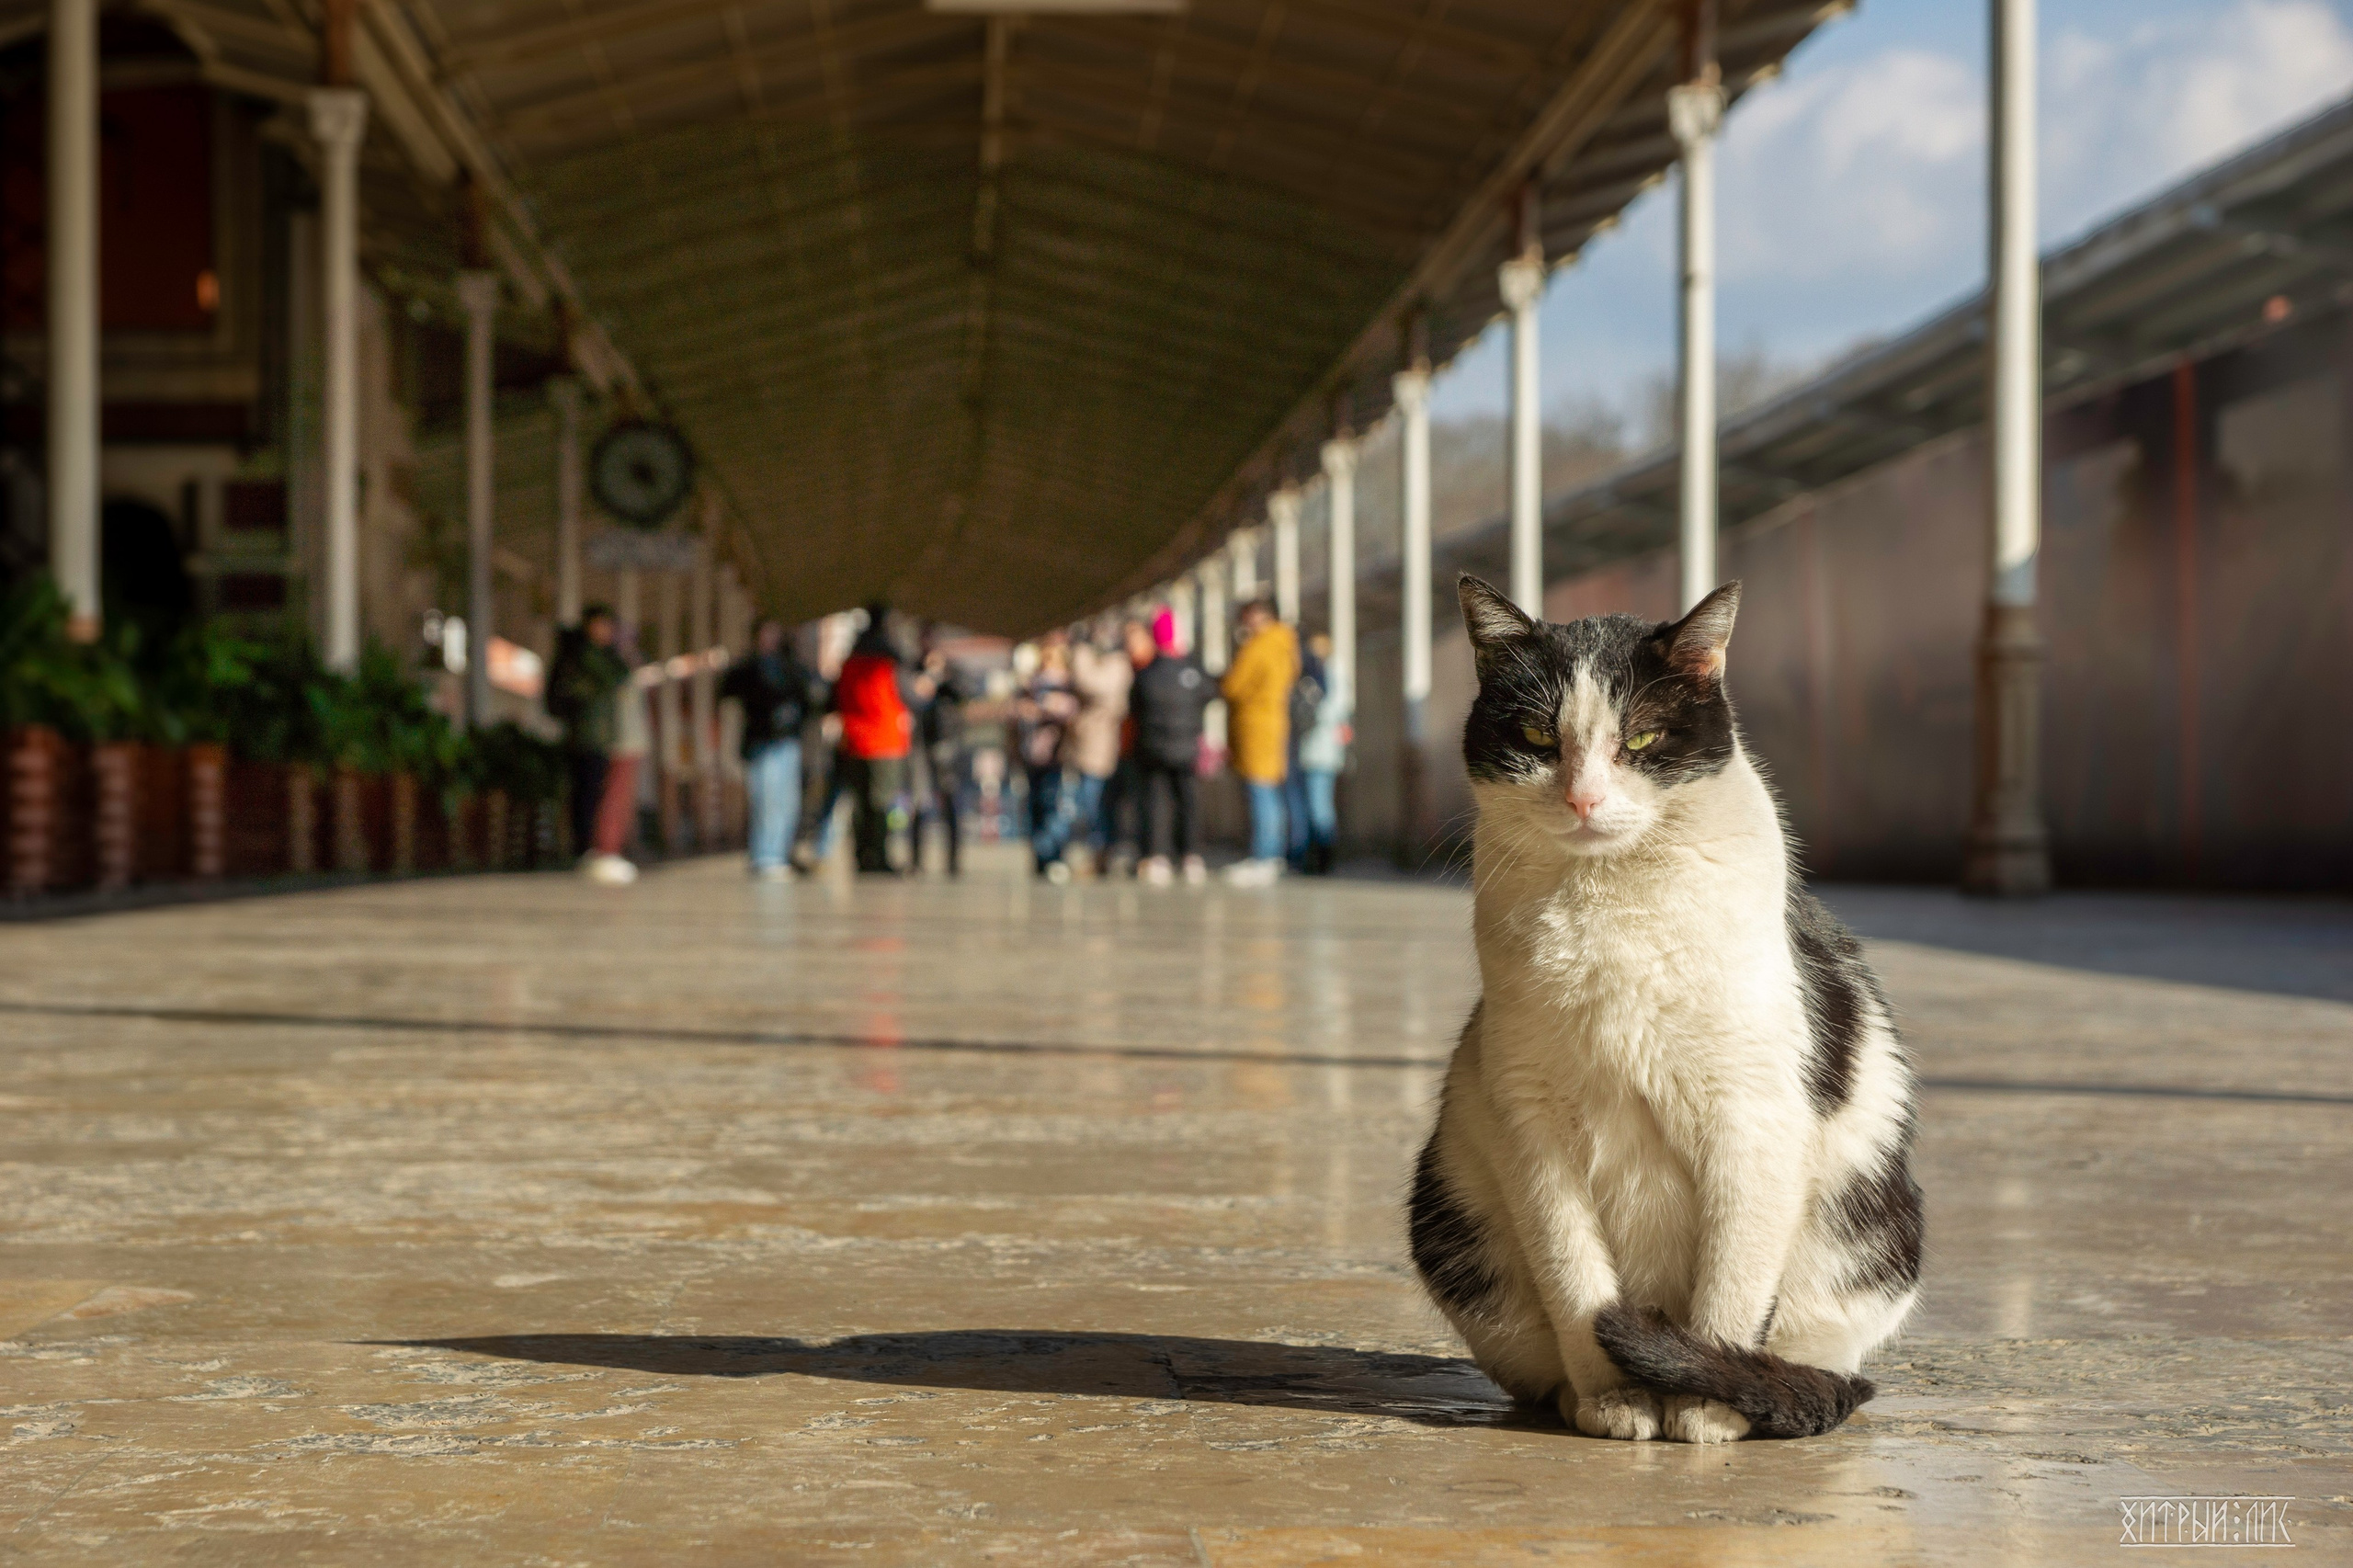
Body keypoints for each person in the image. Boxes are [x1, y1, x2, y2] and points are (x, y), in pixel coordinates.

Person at [720, 617, 824, 881]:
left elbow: (810, 697)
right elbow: (727, 689)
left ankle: (779, 852)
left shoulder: (789, 667)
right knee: (766, 800)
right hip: (762, 743)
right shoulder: (750, 667)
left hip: (788, 742)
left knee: (786, 801)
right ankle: (765, 855)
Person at [546, 604, 638, 884]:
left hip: (604, 736)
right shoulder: (583, 655)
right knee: (586, 793)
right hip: (586, 735)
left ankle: (594, 848)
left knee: (598, 792)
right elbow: (614, 679)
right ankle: (586, 848)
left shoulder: (603, 655)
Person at [1126, 613, 1213, 886]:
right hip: (1187, 747)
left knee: (1157, 803)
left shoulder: (1146, 673)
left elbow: (1133, 708)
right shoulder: (1192, 670)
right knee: (1189, 802)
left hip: (1153, 748)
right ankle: (1191, 855)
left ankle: (1159, 856)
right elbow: (1211, 693)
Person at [1220, 597, 1300, 886]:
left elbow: (1233, 685)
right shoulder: (1286, 644)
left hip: (1256, 724)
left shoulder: (1259, 645)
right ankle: (1273, 855)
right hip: (1275, 721)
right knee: (1270, 792)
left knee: (1260, 792)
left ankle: (1264, 856)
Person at [831, 604, 915, 875]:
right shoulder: (890, 659)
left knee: (860, 802)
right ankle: (879, 856)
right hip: (886, 740)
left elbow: (836, 697)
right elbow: (908, 695)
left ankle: (861, 856)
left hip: (855, 738)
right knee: (882, 802)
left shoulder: (850, 660)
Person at [1066, 626, 1133, 877]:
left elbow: (1089, 683)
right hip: (1091, 748)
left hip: (1104, 750)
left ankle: (1101, 854)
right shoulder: (1105, 663)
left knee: (1097, 806)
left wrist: (1080, 651)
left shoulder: (1117, 665)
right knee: (1091, 806)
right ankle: (1097, 854)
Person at [1015, 631, 1080, 881]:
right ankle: (1041, 857)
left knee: (1054, 805)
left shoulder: (1066, 683)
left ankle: (1052, 854)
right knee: (1034, 807)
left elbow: (1072, 710)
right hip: (1032, 755)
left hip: (1056, 754)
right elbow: (1014, 711)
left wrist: (1052, 705)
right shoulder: (1030, 684)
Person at [1292, 631, 1350, 875]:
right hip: (1313, 750)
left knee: (1320, 806)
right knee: (1314, 805)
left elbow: (1333, 709)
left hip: (1322, 751)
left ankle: (1325, 858)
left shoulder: (1331, 674)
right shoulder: (1316, 675)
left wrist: (1309, 710)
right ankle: (1315, 857)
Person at [915, 639, 967, 876]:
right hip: (922, 746)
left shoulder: (953, 673)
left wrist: (941, 675)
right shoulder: (916, 670)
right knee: (921, 803)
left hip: (948, 746)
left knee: (950, 804)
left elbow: (963, 694)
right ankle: (917, 860)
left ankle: (953, 861)